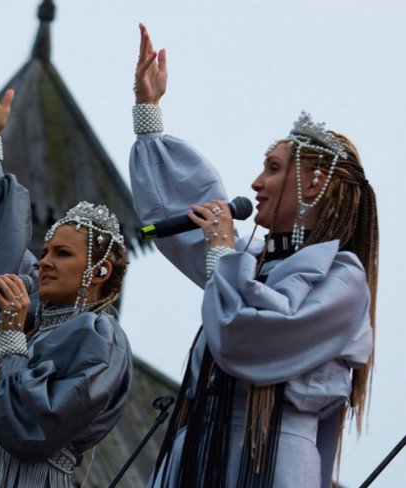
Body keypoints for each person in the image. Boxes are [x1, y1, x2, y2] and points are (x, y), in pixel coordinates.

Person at [129, 24, 378, 488]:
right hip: (199, 456)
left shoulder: (342, 280)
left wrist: (223, 252)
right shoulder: (252, 260)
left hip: (273, 463)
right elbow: (187, 214)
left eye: (273, 168)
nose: (256, 183)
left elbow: (245, 338)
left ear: (315, 184)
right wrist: (148, 113)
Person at [0, 60, 134, 487]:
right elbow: (4, 247)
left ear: (99, 269)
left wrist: (14, 337)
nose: (43, 262)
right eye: (45, 251)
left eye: (61, 253)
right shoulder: (33, 312)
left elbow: (34, 429)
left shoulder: (101, 337)